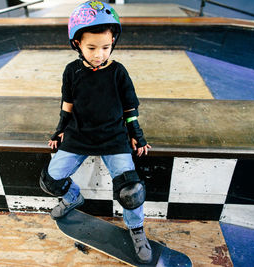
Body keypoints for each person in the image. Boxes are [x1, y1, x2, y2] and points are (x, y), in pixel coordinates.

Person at [39, 1, 152, 263]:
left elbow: (130, 107)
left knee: (131, 191)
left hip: (114, 137)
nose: (99, 54)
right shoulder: (72, 71)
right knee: (50, 181)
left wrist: (137, 133)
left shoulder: (118, 72)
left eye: (106, 47)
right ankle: (73, 198)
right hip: (79, 135)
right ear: (77, 43)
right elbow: (67, 105)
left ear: (114, 42)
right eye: (91, 48)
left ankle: (136, 230)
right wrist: (59, 131)